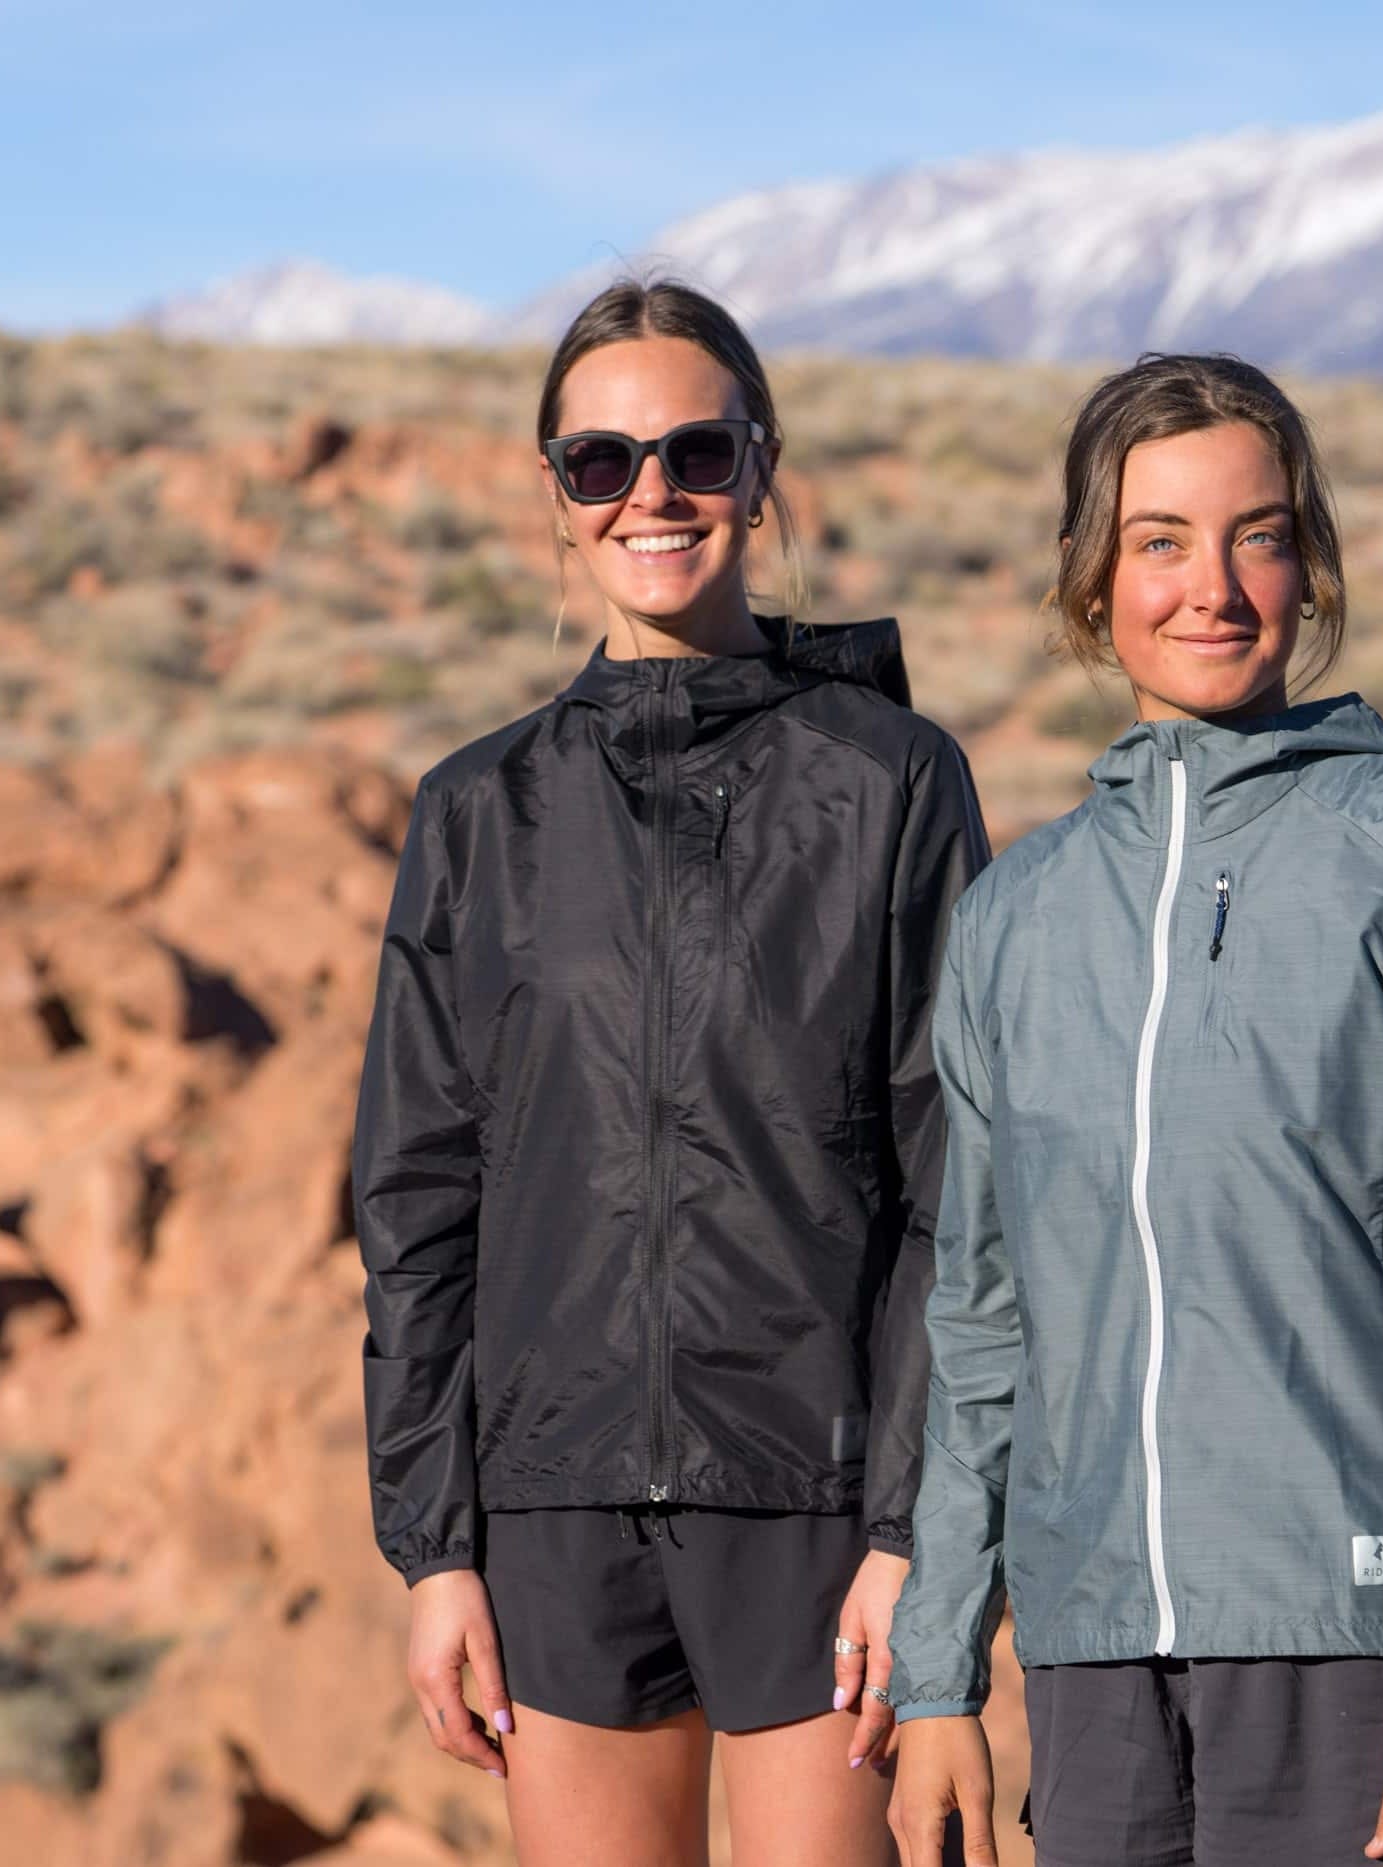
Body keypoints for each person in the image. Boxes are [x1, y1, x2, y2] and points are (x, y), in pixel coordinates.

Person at [885, 353, 1383, 1867]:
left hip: (1356, 1640)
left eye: (1257, 536)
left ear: (1309, 566)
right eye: (1159, 541)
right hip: (1091, 1673)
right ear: (1093, 586)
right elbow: (983, 1322)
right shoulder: (1020, 915)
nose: (1210, 587)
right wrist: (939, 1667)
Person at [353, 278, 987, 1867]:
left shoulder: (892, 779)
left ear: (761, 474)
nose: (654, 494)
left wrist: (913, 1536)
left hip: (817, 1503)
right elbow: (419, 1204)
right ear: (557, 498)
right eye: (602, 462)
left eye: (698, 453)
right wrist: (437, 1553)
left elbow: (954, 1188)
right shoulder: (477, 812)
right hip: (554, 1510)